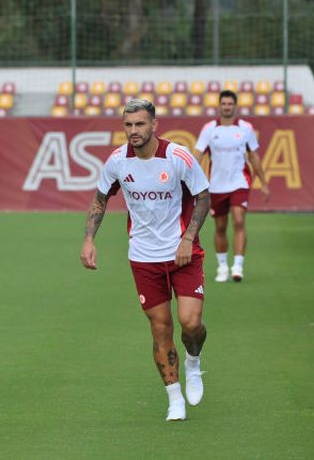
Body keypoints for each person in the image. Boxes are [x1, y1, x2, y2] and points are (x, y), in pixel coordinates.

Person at [80, 98, 211, 422]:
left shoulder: (177, 156)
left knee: (191, 323)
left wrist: (188, 239)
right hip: (143, 257)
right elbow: (100, 199)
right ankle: (174, 398)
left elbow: (203, 197)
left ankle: (194, 361)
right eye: (128, 125)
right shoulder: (117, 161)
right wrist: (89, 239)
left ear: (154, 124)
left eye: (139, 124)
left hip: (183, 253)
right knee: (160, 328)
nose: (133, 130)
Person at [194, 89, 270, 283]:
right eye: (224, 104)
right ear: (219, 106)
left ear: (235, 106)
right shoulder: (209, 129)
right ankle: (222, 267)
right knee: (220, 227)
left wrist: (263, 183)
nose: (227, 107)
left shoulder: (245, 128)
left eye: (230, 104)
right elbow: (197, 156)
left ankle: (237, 266)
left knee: (238, 220)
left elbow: (254, 156)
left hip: (239, 182)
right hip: (216, 186)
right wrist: (190, 179)